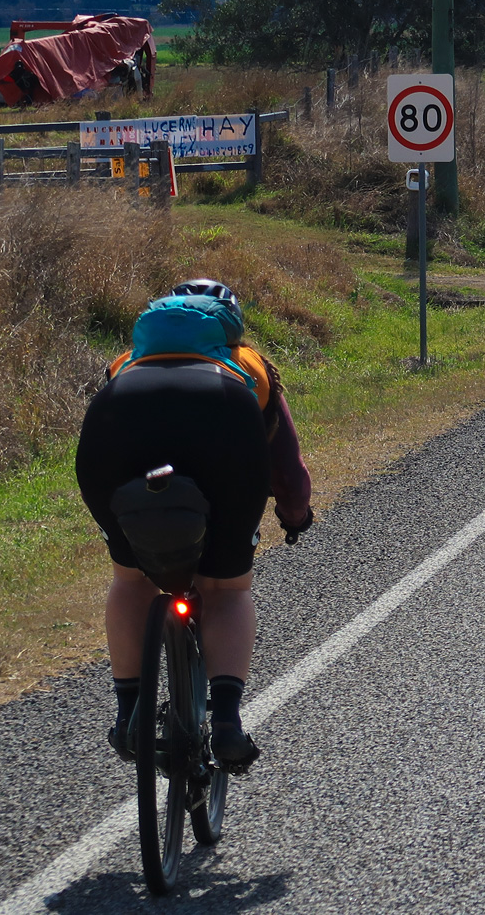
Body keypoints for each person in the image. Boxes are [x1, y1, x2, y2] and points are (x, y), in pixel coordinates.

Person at [76, 279, 314, 771]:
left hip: (116, 416)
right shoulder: (248, 365)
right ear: (229, 326)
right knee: (225, 590)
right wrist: (294, 516)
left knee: (131, 580)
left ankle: (128, 717)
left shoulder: (125, 362)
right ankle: (225, 721)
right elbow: (288, 472)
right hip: (220, 414)